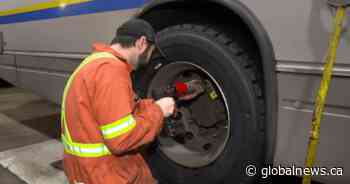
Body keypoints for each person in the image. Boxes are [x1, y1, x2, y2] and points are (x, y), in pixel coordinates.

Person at [61, 18, 175, 184]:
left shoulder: (96, 63)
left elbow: (115, 113)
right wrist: (158, 112)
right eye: (151, 52)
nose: (149, 59)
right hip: (103, 174)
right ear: (142, 43)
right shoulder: (112, 71)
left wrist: (154, 104)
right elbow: (121, 139)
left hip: (90, 169)